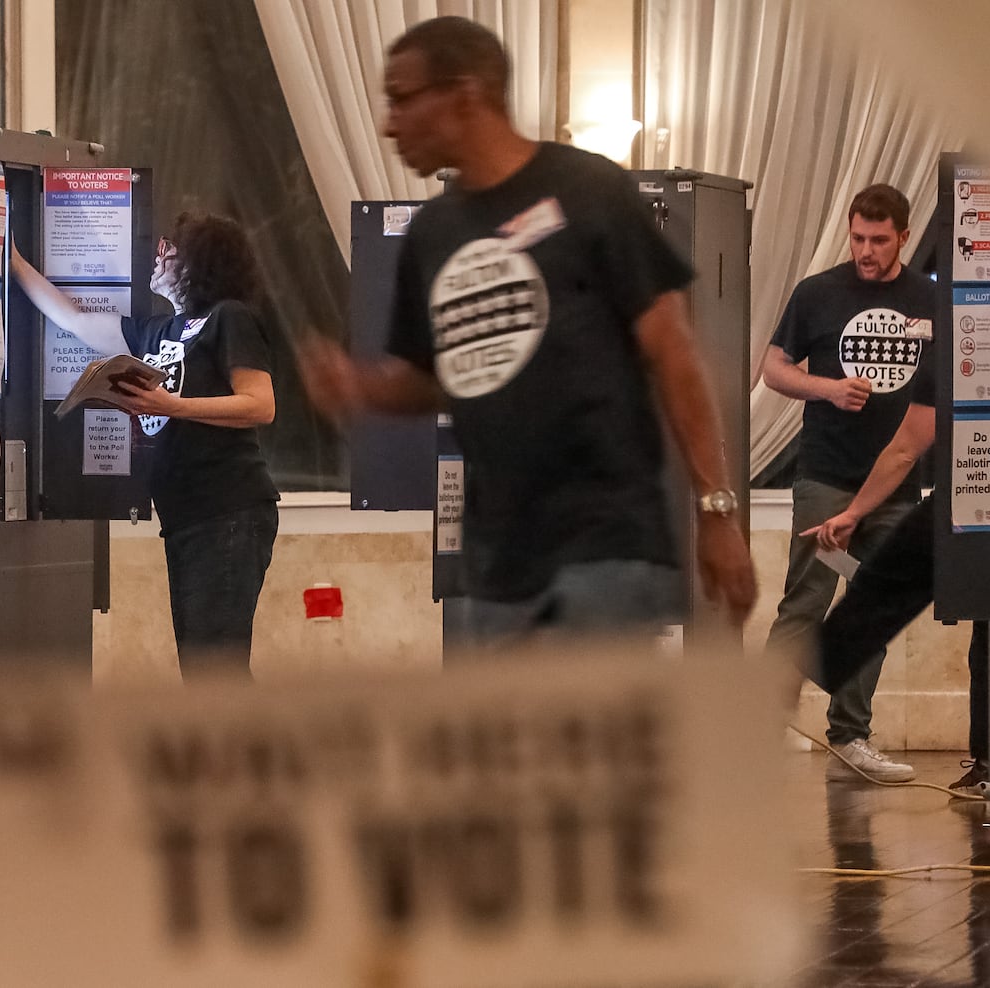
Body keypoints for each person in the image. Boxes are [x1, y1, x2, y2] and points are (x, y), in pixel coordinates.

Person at [299, 16, 755, 644]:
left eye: (403, 98)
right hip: (499, 563)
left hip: (603, 546)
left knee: (590, 740)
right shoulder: (433, 234)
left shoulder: (588, 190)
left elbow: (674, 353)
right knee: (518, 743)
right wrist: (364, 389)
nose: (388, 122)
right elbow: (438, 380)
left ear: (466, 94)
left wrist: (716, 510)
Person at [11, 212, 280, 677]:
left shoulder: (228, 317)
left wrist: (172, 405)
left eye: (169, 249)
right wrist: (9, 258)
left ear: (200, 262)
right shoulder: (154, 330)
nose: (158, 255)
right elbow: (71, 319)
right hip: (185, 517)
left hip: (229, 511)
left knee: (215, 672)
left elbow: (260, 405)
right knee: (203, 669)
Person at [761, 183, 940, 784]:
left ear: (904, 238)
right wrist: (828, 388)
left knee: (872, 605)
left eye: (879, 240)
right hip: (827, 475)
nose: (866, 250)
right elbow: (774, 368)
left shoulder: (930, 300)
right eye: (858, 237)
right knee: (805, 600)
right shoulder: (818, 292)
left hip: (895, 483)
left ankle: (851, 739)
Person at [803, 362, 990, 795]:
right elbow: (906, 448)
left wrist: (853, 513)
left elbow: (906, 448)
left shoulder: (952, 340)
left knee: (987, 620)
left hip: (981, 496)